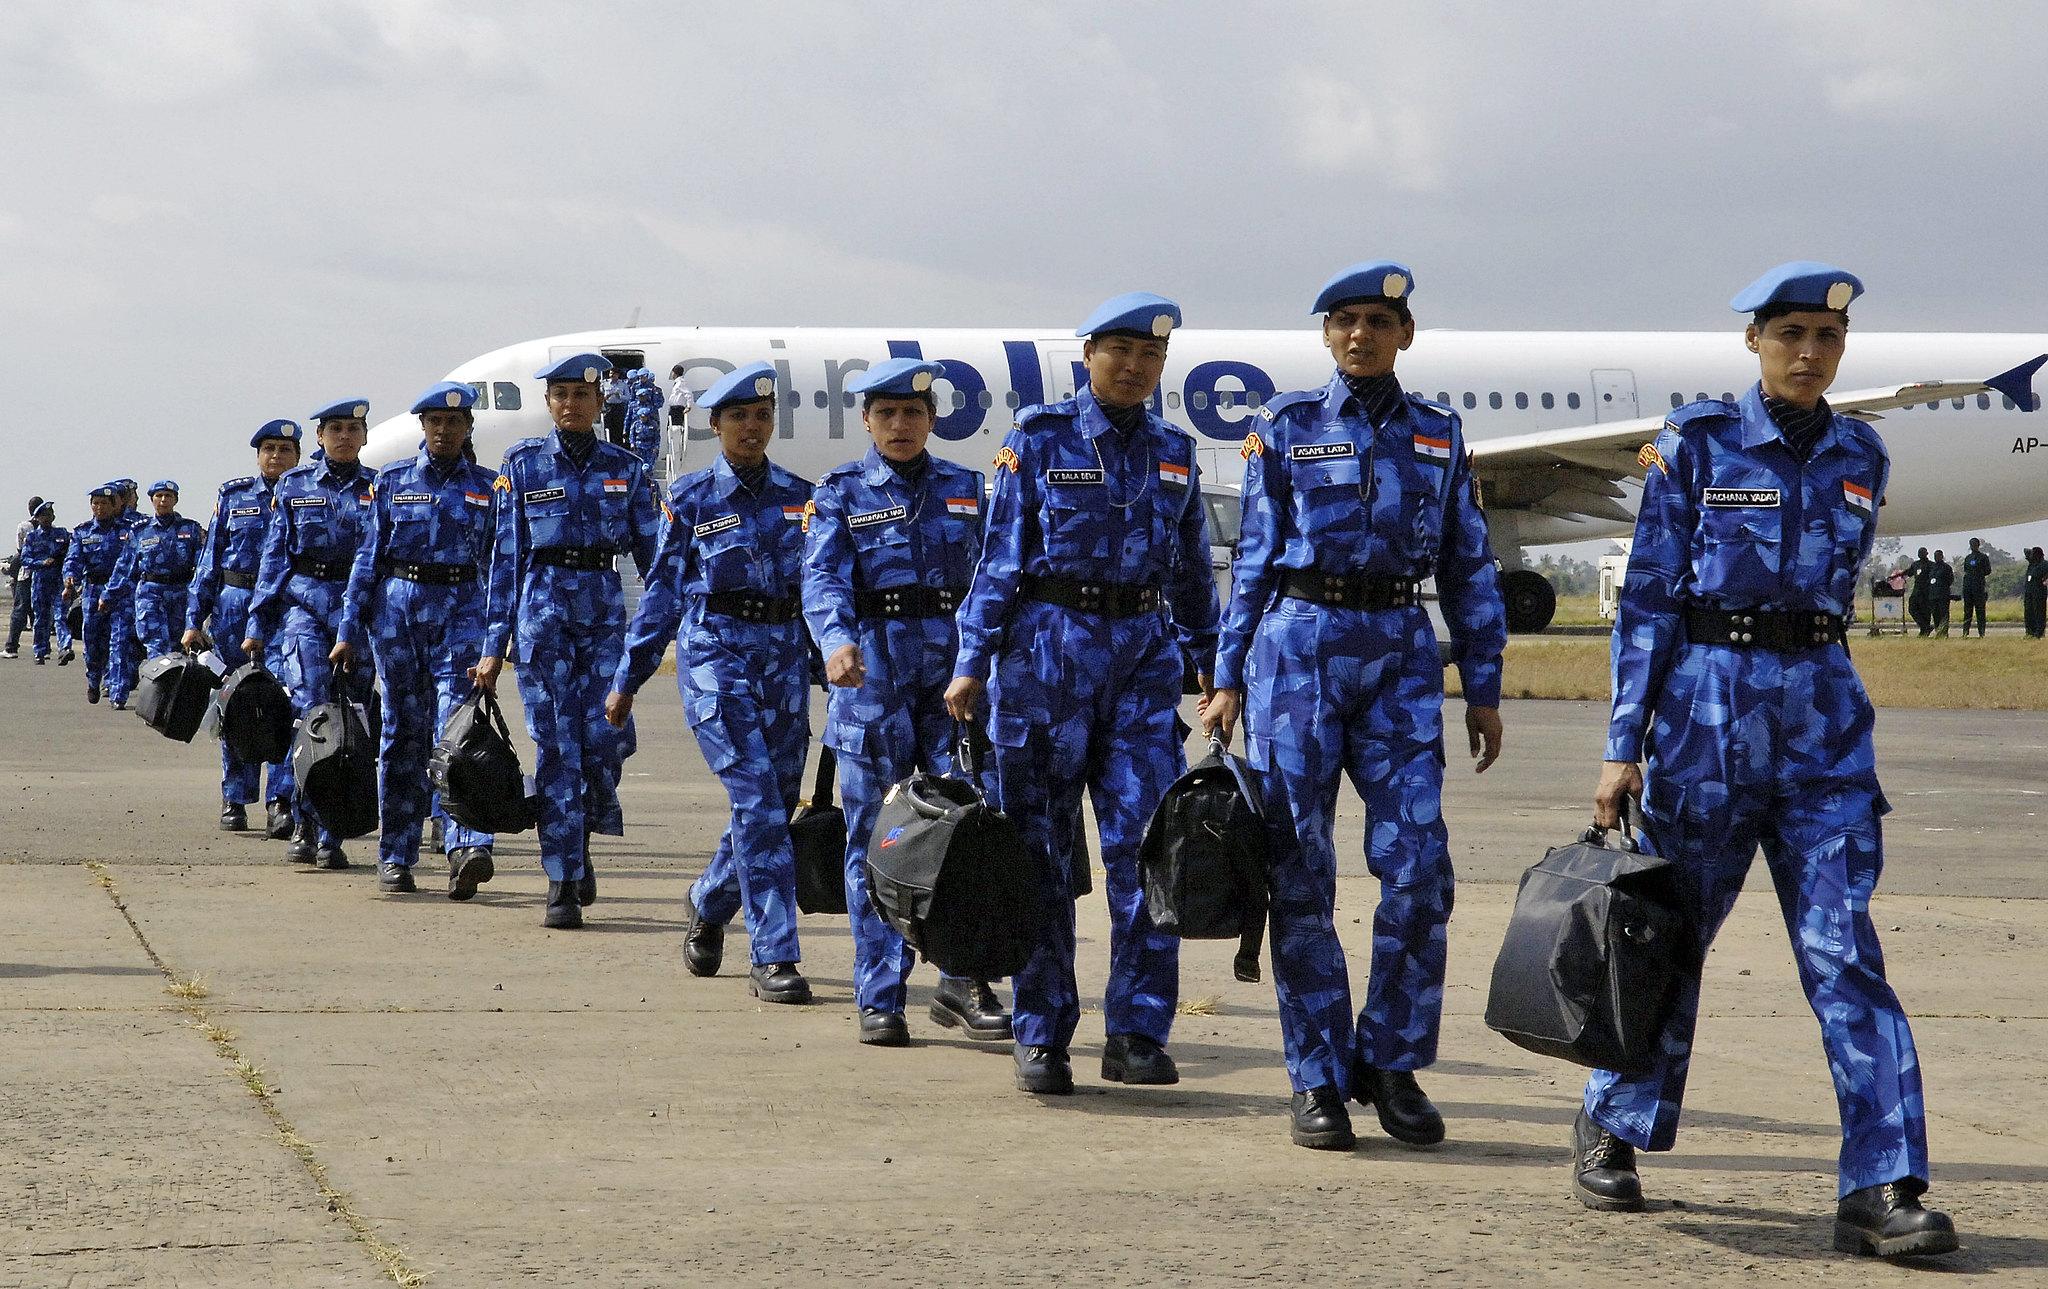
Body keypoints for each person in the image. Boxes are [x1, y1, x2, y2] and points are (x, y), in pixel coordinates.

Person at [1585, 263, 1956, 1258]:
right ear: (1752, 340)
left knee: (1844, 951)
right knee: (1668, 934)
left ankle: (1881, 1182)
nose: (1806, 352)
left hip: (1823, 729)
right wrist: (1624, 743)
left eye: (1824, 339)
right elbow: (1648, 600)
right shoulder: (1693, 443)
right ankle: (1614, 1124)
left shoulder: (1858, 455)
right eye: (1788, 333)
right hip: (1705, 720)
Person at [1204, 260, 1507, 1151]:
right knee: (1299, 872)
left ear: (1406, 334)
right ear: (1325, 335)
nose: (1361, 335)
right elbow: (1253, 560)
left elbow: (1467, 564)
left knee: (1418, 869)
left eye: (1379, 320)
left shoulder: (1439, 436)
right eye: (1344, 321)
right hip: (1296, 652)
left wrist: (1482, 683)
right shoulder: (1285, 427)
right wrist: (1226, 677)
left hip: (1398, 654)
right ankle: (1318, 1075)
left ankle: (1392, 1060)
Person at [944, 292, 1220, 1096]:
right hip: (1043, 665)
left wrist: (1214, 666)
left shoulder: (1176, 451)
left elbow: (1193, 571)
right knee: (1040, 858)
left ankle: (1136, 1032)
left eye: (1151, 357)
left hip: (1141, 665)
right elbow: (998, 562)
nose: (1135, 368)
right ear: (1090, 355)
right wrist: (971, 661)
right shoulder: (1037, 439)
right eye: (1121, 353)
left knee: (1147, 854)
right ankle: (1042, 1033)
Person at [801, 357, 1014, 1045]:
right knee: (879, 836)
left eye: (913, 414)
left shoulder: (963, 488)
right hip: (874, 686)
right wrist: (835, 641)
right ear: (867, 420)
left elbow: (992, 578)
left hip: (951, 687)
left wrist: (983, 661)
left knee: (963, 835)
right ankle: (880, 991)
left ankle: (960, 978)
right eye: (887, 414)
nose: (900, 425)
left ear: (931, 419)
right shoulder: (841, 491)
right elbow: (823, 579)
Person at [608, 361, 816, 997]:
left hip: (782, 660)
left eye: (761, 416)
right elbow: (662, 597)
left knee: (776, 802)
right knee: (755, 797)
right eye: (737, 418)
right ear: (715, 425)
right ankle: (774, 954)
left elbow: (821, 589)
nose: (751, 428)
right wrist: (629, 676)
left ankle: (706, 898)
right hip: (714, 657)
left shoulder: (802, 497)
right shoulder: (692, 500)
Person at [475, 353, 659, 930]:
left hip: (603, 619)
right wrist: (492, 642)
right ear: (549, 403)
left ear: (600, 401)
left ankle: (580, 831)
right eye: (560, 395)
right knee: (556, 750)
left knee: (605, 744)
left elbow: (655, 558)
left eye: (582, 395)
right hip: (541, 619)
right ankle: (561, 875)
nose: (571, 404)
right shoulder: (523, 466)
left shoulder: (625, 469)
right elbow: (507, 558)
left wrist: (675, 617)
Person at [332, 383, 501, 898]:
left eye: (454, 423)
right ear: (422, 428)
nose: (445, 431)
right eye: (435, 423)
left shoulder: (491, 486)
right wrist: (348, 629)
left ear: (468, 427)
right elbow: (368, 558)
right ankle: (396, 855)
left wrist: (497, 638)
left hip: (463, 612)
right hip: (399, 618)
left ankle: (467, 845)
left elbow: (502, 565)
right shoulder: (392, 481)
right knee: (403, 736)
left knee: (460, 731)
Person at [246, 399, 378, 869]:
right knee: (309, 712)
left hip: (358, 611)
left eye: (353, 429)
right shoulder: (294, 485)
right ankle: (303, 821)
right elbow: (274, 556)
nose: (344, 436)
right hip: (304, 606)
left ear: (365, 436)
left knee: (352, 717)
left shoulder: (378, 487)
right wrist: (258, 623)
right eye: (335, 429)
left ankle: (334, 830)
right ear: (320, 437)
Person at [185, 420, 304, 834]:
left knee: (288, 706)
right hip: (235, 607)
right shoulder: (234, 496)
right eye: (269, 449)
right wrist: (192, 620)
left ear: (298, 456)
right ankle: (235, 796)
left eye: (285, 450)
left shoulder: (305, 494)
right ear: (258, 456)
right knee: (234, 705)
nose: (276, 457)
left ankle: (281, 800)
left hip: (286, 611)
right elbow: (210, 560)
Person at [107, 482, 204, 660]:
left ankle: (174, 686)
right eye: (159, 496)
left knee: (177, 646)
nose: (163, 500)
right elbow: (124, 565)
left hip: (179, 594)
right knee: (156, 645)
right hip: (150, 594)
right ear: (152, 500)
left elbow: (202, 565)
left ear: (176, 500)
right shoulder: (140, 530)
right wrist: (108, 594)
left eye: (168, 496)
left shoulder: (190, 529)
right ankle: (159, 684)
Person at [63, 487, 127, 700]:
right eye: (95, 503)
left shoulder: (128, 530)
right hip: (93, 590)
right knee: (92, 639)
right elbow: (73, 559)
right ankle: (93, 679)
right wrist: (70, 578)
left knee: (117, 638)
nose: (99, 508)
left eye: (104, 503)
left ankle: (113, 684)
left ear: (114, 505)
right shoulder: (83, 532)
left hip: (120, 591)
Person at [5, 500, 70, 664]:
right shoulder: (32, 537)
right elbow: (25, 559)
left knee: (61, 615)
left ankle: (64, 648)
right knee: (41, 617)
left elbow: (71, 552)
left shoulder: (61, 534)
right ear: (38, 518)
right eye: (44, 515)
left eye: (50, 514)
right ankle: (40, 652)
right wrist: (42, 562)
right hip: (40, 581)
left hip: (58, 581)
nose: (48, 517)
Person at [101, 480, 147, 706]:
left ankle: (123, 682)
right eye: (132, 495)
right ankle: (113, 684)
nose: (135, 500)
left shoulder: (140, 524)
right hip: (109, 590)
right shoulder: (99, 525)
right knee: (113, 641)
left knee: (136, 643)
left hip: (140, 592)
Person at [3, 495, 47, 659]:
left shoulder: (23, 527)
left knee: (19, 611)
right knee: (40, 612)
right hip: (43, 574)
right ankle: (42, 649)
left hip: (26, 574)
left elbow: (20, 550)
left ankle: (11, 646)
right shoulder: (49, 526)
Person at [1958, 538, 1990, 637]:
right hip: (1968, 588)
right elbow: (1966, 570)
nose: (1973, 546)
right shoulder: (1968, 558)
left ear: (1978, 545)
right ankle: (1965, 633)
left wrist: (1978, 574)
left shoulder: (1983, 557)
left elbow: (1988, 570)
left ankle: (1981, 633)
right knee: (1967, 611)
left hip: (1979, 587)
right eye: (1971, 544)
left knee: (1980, 612)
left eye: (1975, 544)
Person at [1929, 549, 1953, 637]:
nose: (1936, 558)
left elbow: (1950, 580)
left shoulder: (1946, 567)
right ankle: (1938, 632)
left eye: (1938, 556)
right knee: (1935, 615)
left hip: (1943, 595)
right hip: (1933, 595)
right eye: (1935, 556)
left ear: (1942, 556)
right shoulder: (1932, 567)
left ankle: (1944, 632)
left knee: (1944, 614)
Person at [2025, 547, 2048, 639]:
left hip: (2039, 592)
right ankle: (2030, 632)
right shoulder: (2032, 565)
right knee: (2029, 613)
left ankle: (2039, 633)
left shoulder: (2045, 564)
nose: (2032, 556)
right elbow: (2025, 551)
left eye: (2033, 554)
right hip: (2029, 592)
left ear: (2038, 555)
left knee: (2039, 613)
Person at [668, 364, 697, 431]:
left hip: (677, 409)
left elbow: (688, 394)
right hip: (673, 409)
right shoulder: (677, 383)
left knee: (676, 429)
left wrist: (688, 406)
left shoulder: (681, 383)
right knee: (670, 429)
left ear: (674, 373)